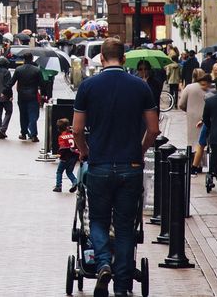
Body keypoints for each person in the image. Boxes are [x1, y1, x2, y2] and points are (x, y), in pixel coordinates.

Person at [73, 38, 158, 297]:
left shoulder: (88, 86)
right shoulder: (141, 87)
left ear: (101, 57)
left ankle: (102, 264)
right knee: (124, 226)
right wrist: (140, 150)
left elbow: (77, 129)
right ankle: (122, 286)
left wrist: (85, 151)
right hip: (130, 165)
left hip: (98, 165)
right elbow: (154, 129)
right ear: (123, 58)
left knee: (97, 221)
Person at [177, 69, 211, 172]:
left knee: (192, 141)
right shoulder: (209, 87)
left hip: (192, 116)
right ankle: (200, 164)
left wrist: (188, 109)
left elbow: (181, 104)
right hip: (206, 116)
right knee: (203, 141)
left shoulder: (189, 87)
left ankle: (193, 163)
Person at [12, 53, 43, 142]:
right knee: (33, 115)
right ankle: (33, 135)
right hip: (33, 96)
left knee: (23, 115)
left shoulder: (18, 70)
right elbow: (42, 84)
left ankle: (23, 133)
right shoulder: (36, 70)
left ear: (24, 59)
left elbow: (12, 82)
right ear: (32, 58)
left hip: (21, 96)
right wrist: (44, 94)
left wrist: (5, 91)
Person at [53, 118, 79, 193]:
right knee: (69, 172)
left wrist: (60, 155)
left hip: (65, 157)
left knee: (59, 171)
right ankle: (75, 181)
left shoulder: (61, 137)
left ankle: (58, 186)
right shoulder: (72, 135)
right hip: (74, 156)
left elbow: (63, 147)